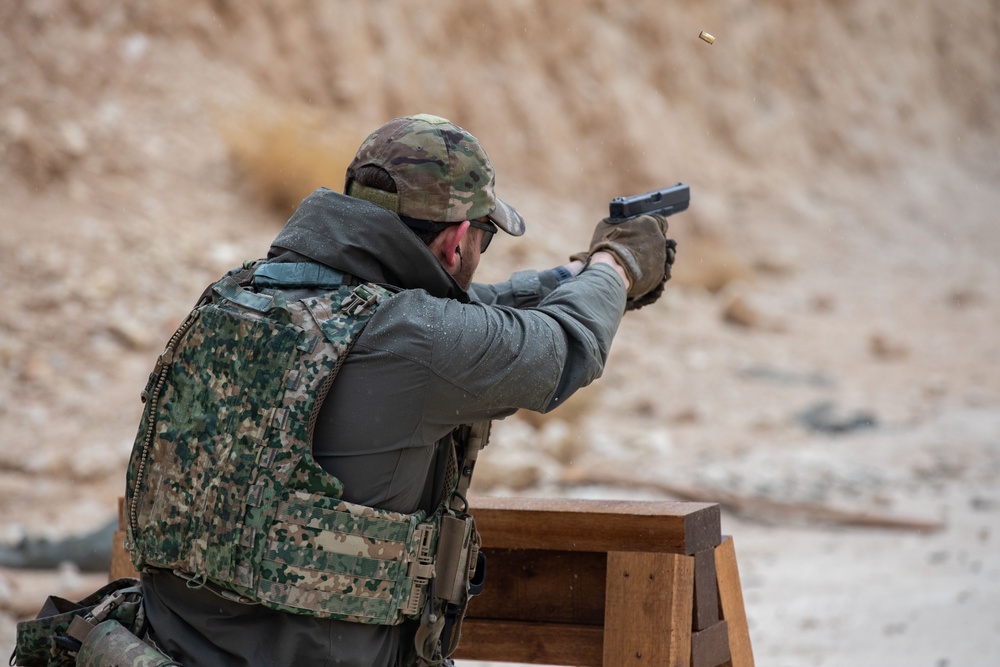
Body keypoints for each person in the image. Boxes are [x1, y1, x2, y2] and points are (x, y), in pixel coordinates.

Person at [123, 113, 675, 666]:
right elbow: (564, 345)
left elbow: (464, 313)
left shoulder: (246, 296)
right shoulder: (415, 340)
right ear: (458, 240)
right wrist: (617, 265)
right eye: (484, 237)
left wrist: (573, 276)